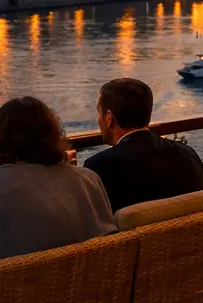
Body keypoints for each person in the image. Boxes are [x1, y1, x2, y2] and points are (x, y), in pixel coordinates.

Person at [0, 96, 116, 258]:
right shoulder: (87, 180)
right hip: (84, 278)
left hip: (16, 281)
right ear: (52, 134)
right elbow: (108, 243)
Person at [84, 78, 203, 212]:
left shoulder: (99, 168)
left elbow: (89, 222)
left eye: (99, 113)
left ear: (109, 118)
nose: (98, 120)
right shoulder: (187, 154)